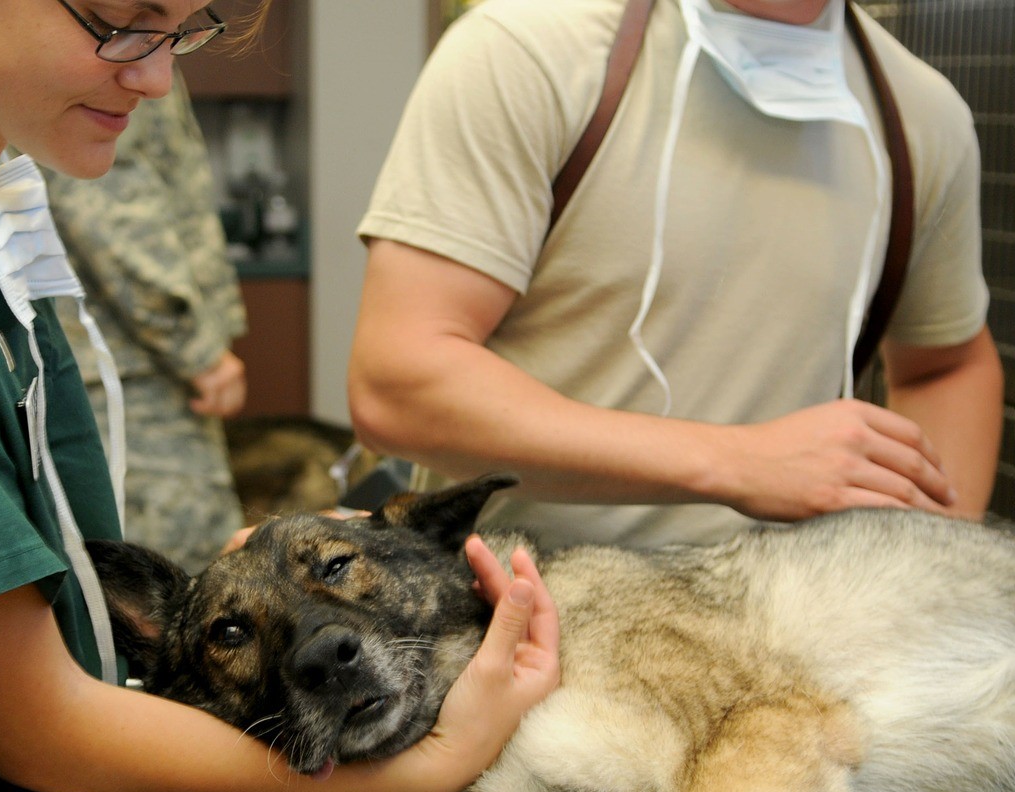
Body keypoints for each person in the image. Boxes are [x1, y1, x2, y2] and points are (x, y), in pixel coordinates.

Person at [0, 3, 560, 792]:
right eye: (119, 21)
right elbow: (35, 725)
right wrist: (435, 758)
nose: (158, 78)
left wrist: (265, 582)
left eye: (183, 31)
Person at [349, 0, 1005, 552]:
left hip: (791, 626)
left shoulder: (921, 117)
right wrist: (738, 461)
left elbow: (946, 365)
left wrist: (929, 565)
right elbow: (397, 383)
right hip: (521, 618)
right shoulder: (529, 52)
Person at [43, 71, 248, 574]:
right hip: (129, 369)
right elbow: (107, 204)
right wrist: (196, 349)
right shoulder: (117, 49)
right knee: (177, 578)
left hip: (119, 359)